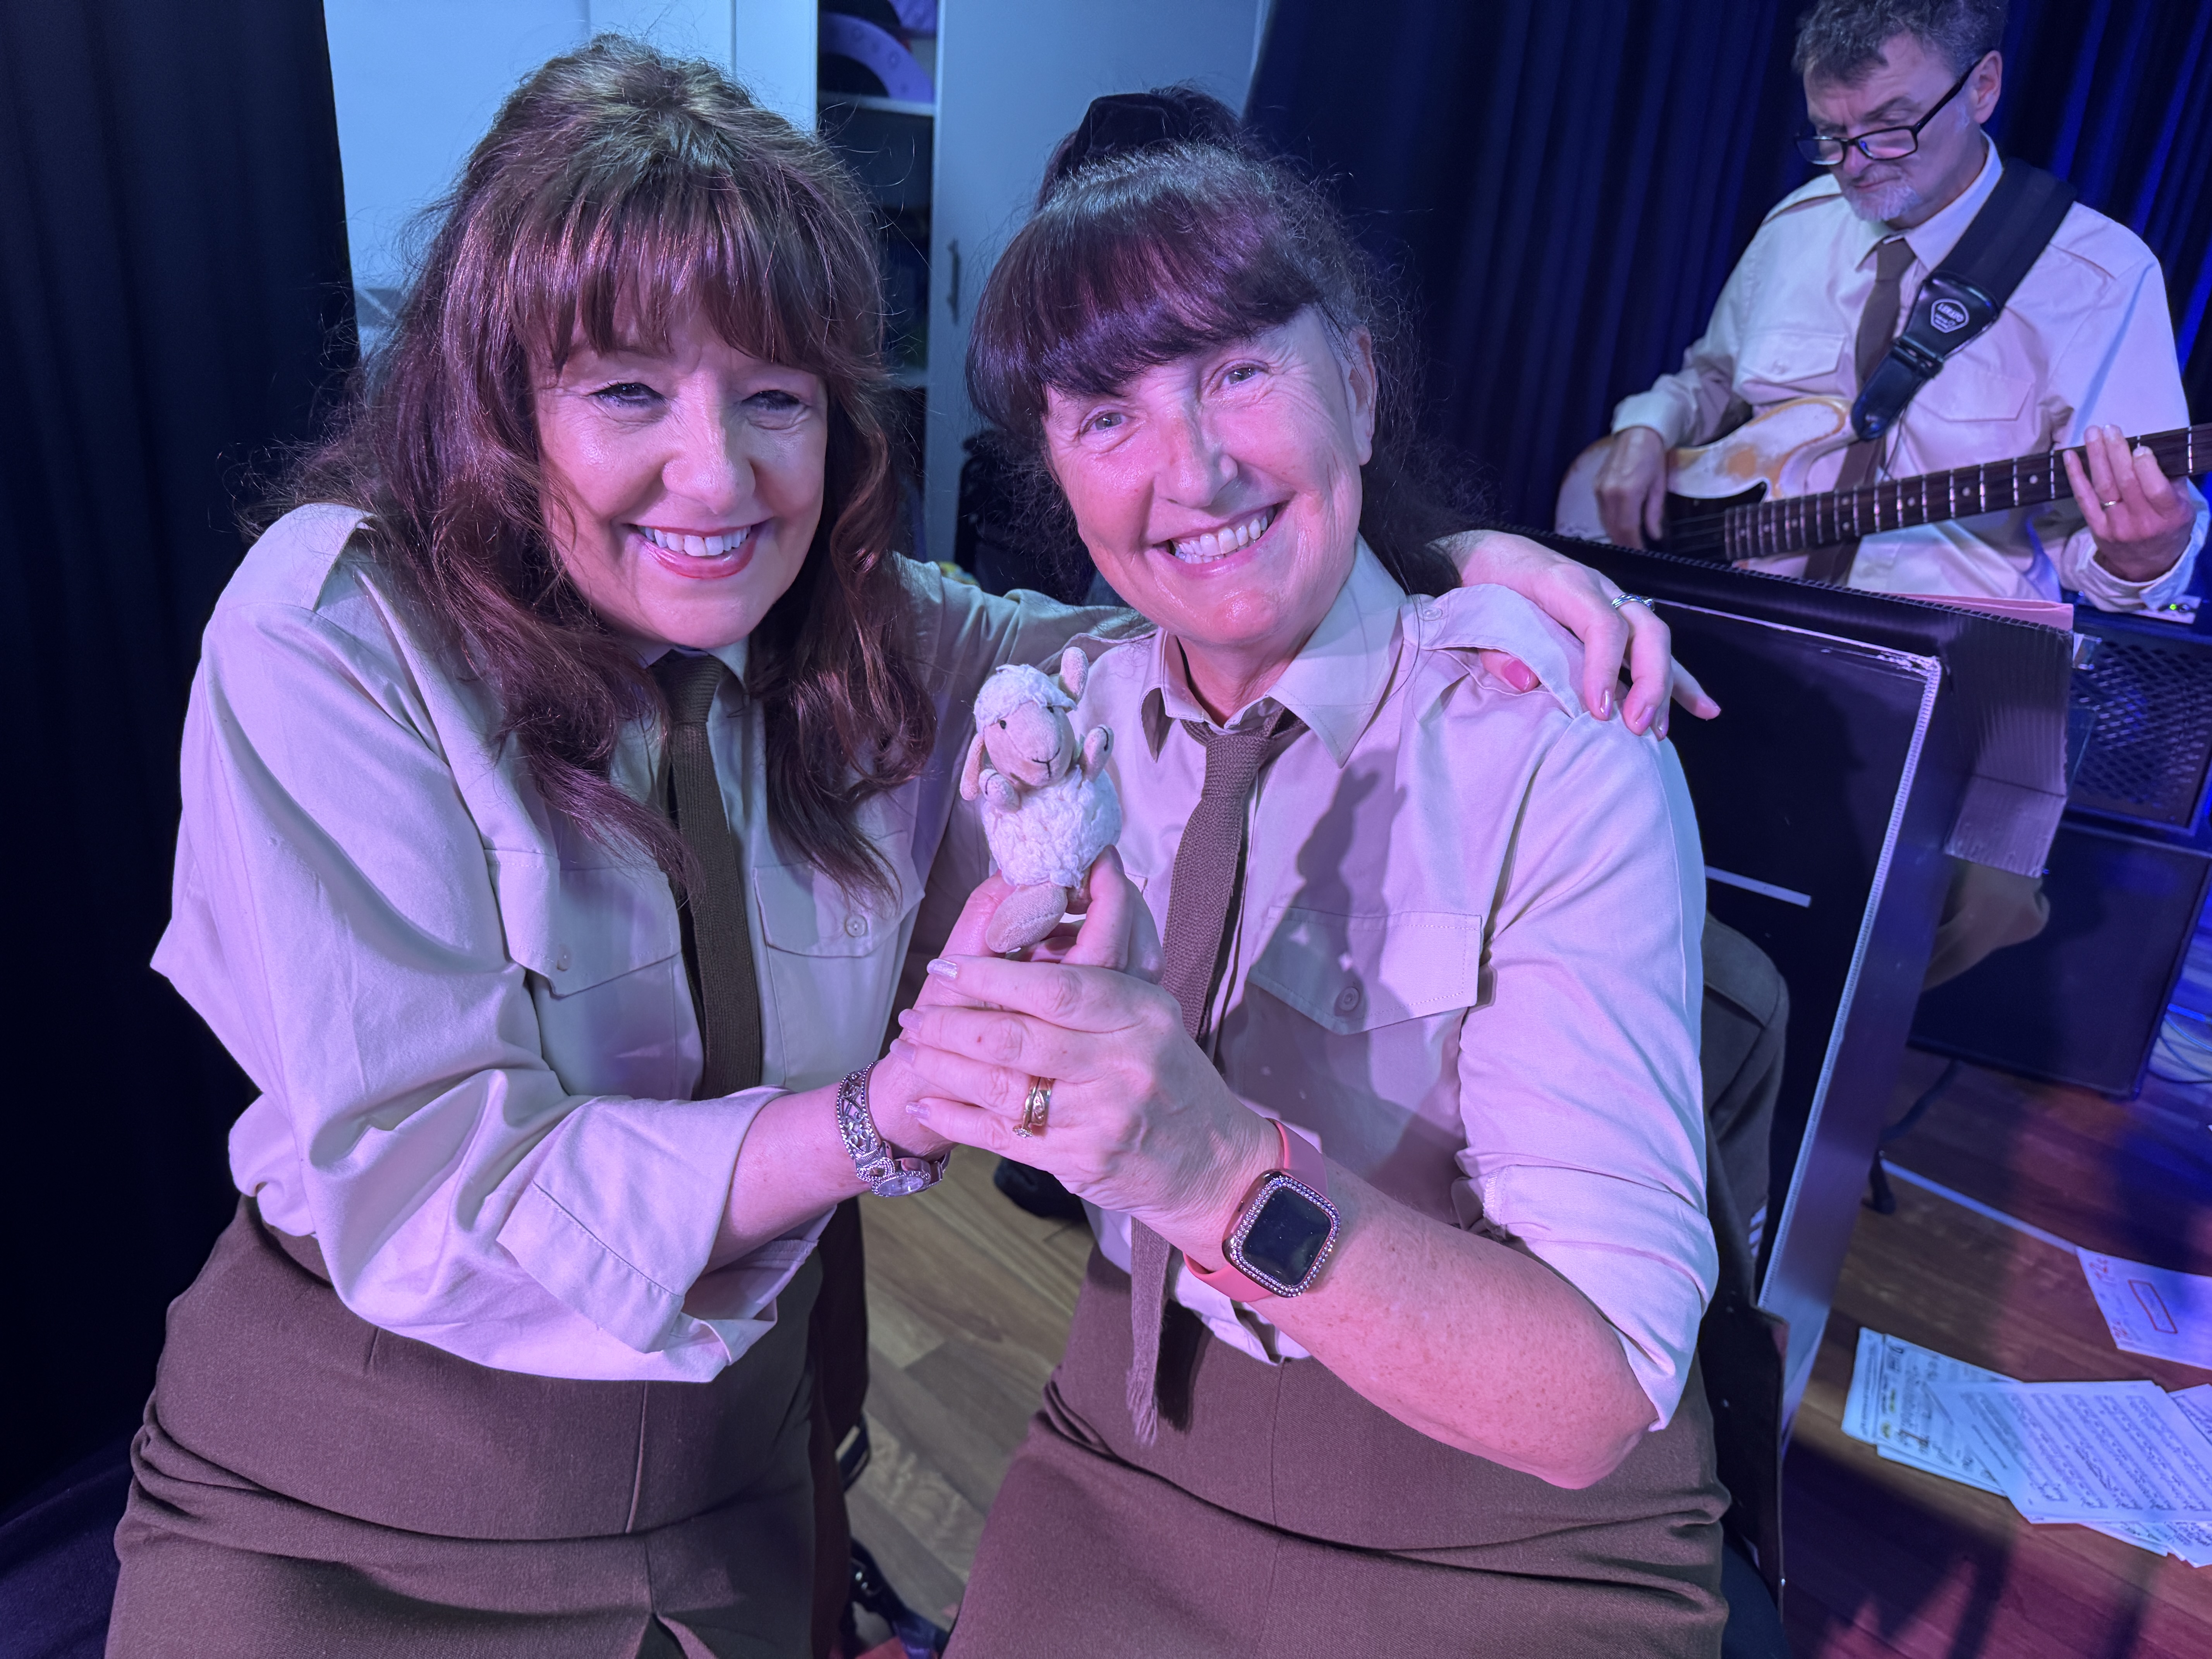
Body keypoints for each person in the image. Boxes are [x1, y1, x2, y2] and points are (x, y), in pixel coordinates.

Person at [107, 38, 1695, 1658]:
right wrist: (885, 1114)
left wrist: (1440, 561)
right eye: (628, 391)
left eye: (776, 397)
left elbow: (1202, 612)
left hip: (737, 1497)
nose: (717, 474)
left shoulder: (883, 649)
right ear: (498, 402)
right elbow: (430, 1184)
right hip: (354, 1502)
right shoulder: (343, 634)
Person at [892, 128, 1730, 1656]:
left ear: (1357, 376)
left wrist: (1210, 1169)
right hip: (1134, 1443)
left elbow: (1593, 1396)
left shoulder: (1554, 745)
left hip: (1503, 1527)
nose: (1192, 468)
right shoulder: (1072, 722)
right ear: (1053, 471)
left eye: (1238, 373)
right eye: (1107, 414)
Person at [1592, 0, 2207, 986]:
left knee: (1975, 904)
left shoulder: (2100, 277)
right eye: (1830, 134)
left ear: (1984, 86)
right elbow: (1708, 379)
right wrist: (1645, 428)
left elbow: (2107, 544)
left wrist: (2148, 551)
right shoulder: (1799, 226)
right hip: (1749, 617)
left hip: (1961, 658)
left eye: (1890, 126)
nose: (1857, 164)